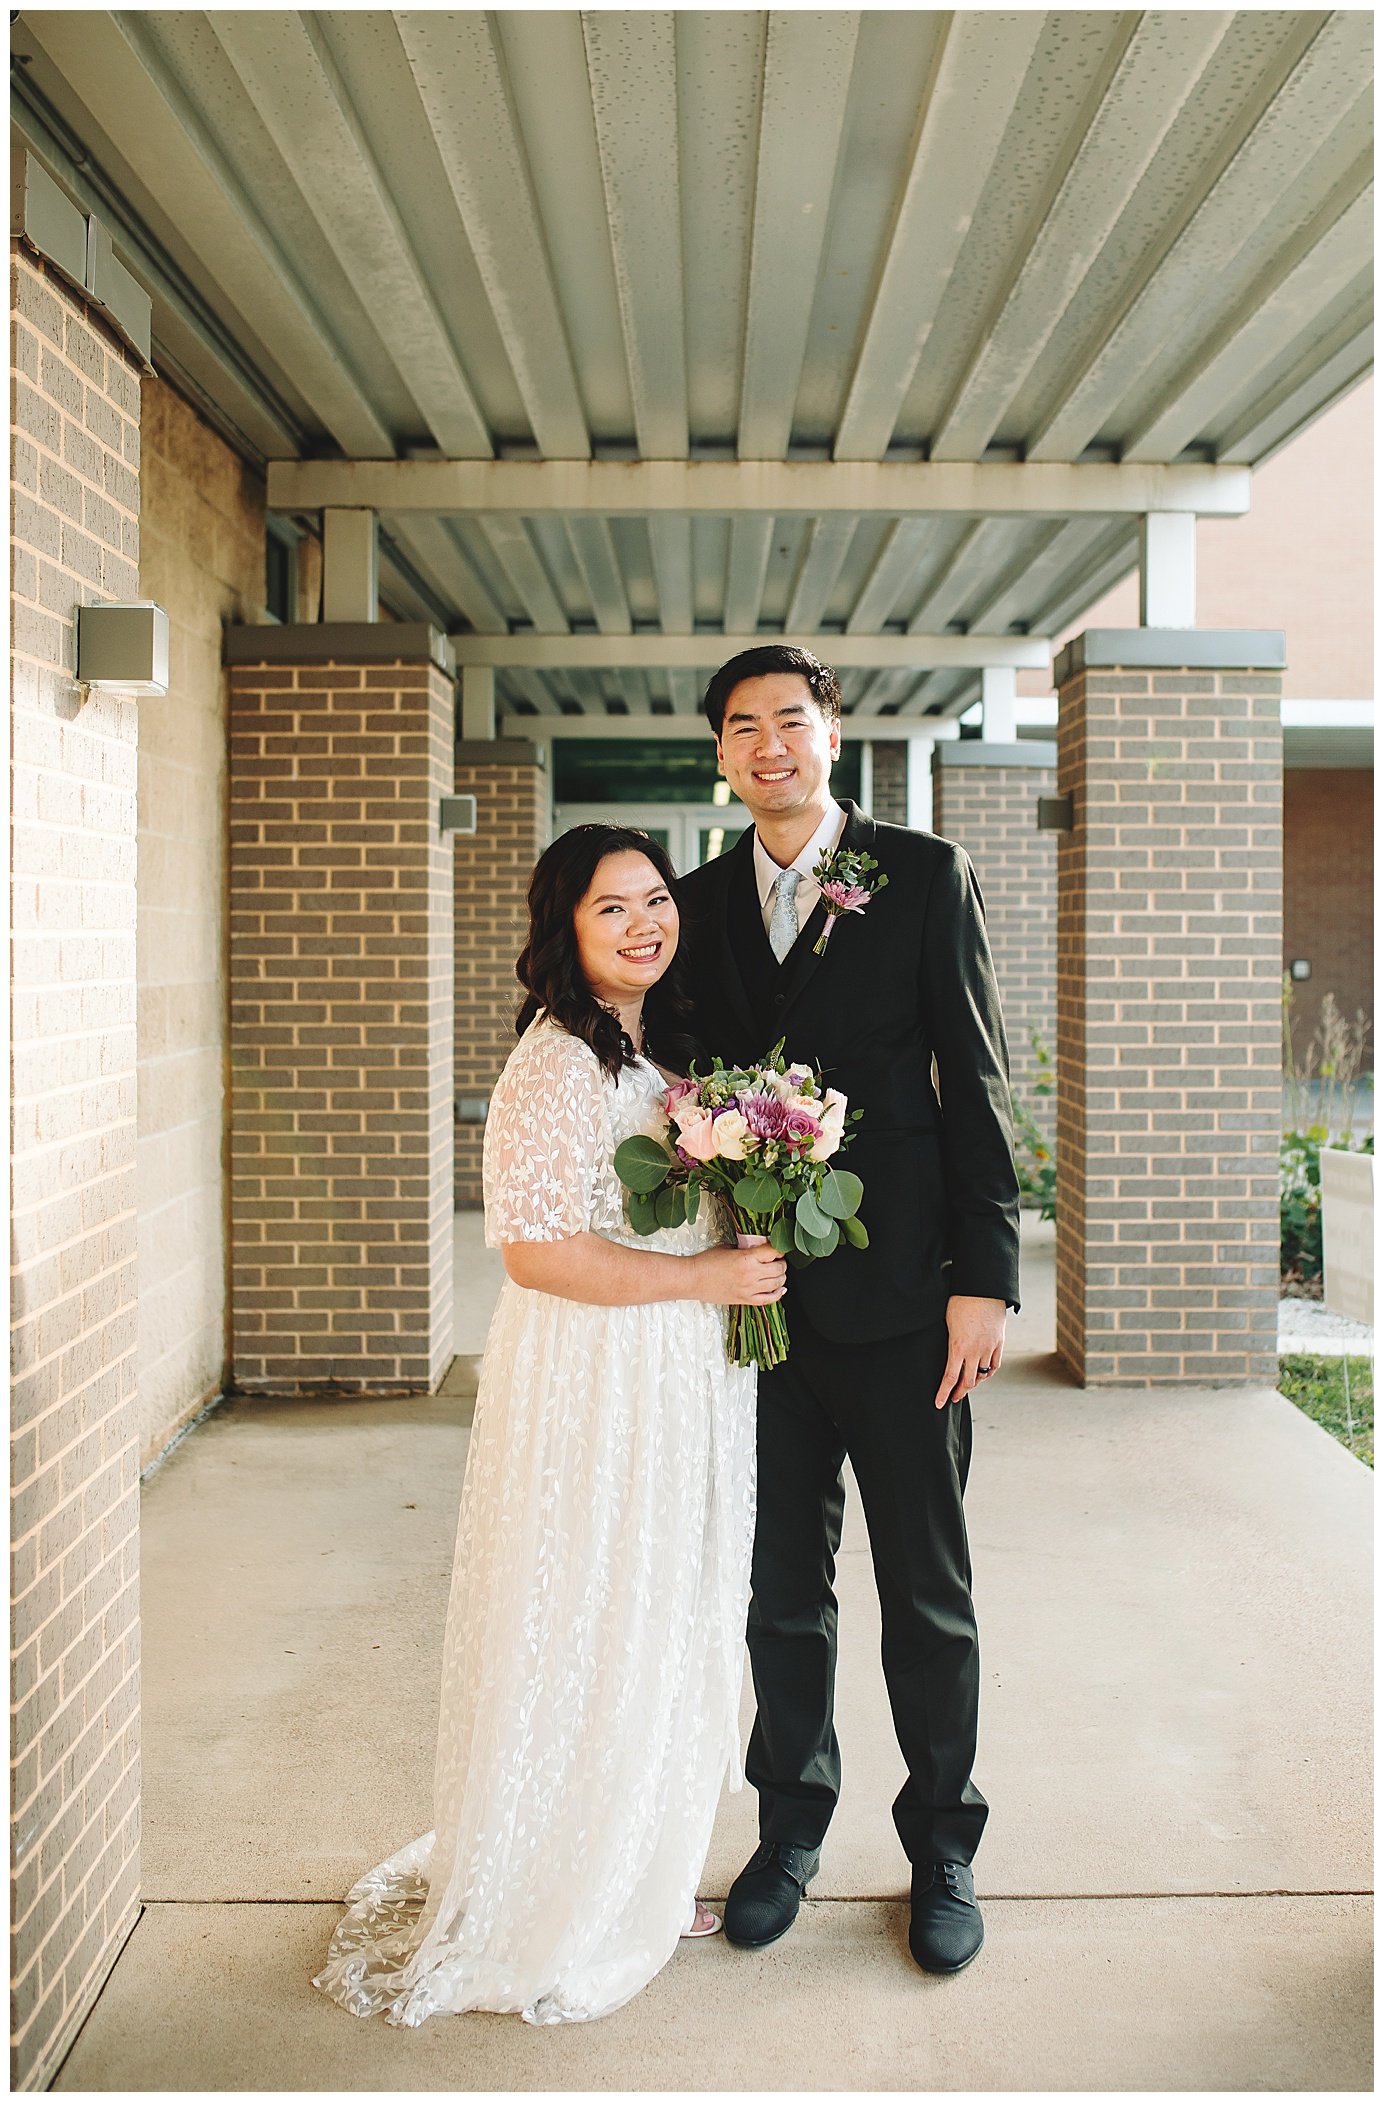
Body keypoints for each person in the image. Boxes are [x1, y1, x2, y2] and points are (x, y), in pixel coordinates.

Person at [313, 825, 784, 2027]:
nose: (645, 921)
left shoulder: (659, 1050)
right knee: (595, 1607)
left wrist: (743, 1217)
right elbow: (535, 1250)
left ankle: (633, 1858)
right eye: (611, 906)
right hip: (598, 1380)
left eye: (657, 898)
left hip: (679, 1379)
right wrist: (704, 1281)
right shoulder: (554, 1066)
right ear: (564, 932)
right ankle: (570, 1886)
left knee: (663, 1612)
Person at [677, 645, 1021, 1977]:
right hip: (757, 1316)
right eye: (742, 727)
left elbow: (974, 1084)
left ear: (833, 731)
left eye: (790, 720)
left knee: (927, 1594)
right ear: (720, 751)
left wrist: (984, 1281)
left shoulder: (918, 875)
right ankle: (790, 1830)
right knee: (780, 1596)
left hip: (905, 1307)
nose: (769, 744)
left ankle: (944, 1843)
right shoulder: (699, 901)